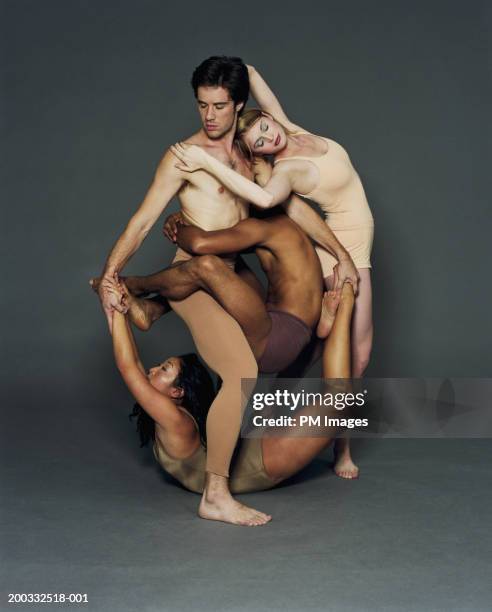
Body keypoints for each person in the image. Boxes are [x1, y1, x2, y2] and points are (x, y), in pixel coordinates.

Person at [94, 56, 358, 526]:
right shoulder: (182, 156)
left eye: (218, 106)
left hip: (234, 275)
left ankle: (150, 308)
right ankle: (215, 494)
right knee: (239, 373)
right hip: (196, 278)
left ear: (239, 105)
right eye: (202, 106)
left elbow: (292, 209)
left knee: (275, 353)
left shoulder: (247, 151)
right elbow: (143, 220)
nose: (210, 116)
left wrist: (340, 254)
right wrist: (112, 272)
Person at [169, 64, 375, 478]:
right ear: (259, 154)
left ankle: (269, 420)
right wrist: (209, 165)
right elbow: (264, 197)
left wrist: (237, 69)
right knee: (358, 355)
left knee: (318, 353)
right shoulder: (286, 170)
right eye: (258, 143)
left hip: (358, 250)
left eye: (264, 127)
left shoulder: (287, 127)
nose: (268, 138)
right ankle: (342, 450)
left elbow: (257, 85)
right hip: (338, 253)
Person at [105, 275, 356, 521]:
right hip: (263, 461)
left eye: (163, 369)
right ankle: (334, 316)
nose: (152, 370)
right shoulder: (174, 420)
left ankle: (339, 310)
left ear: (178, 392)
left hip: (258, 451)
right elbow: (131, 366)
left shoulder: (174, 419)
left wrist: (116, 308)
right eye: (163, 367)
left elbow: (130, 366)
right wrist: (115, 308)